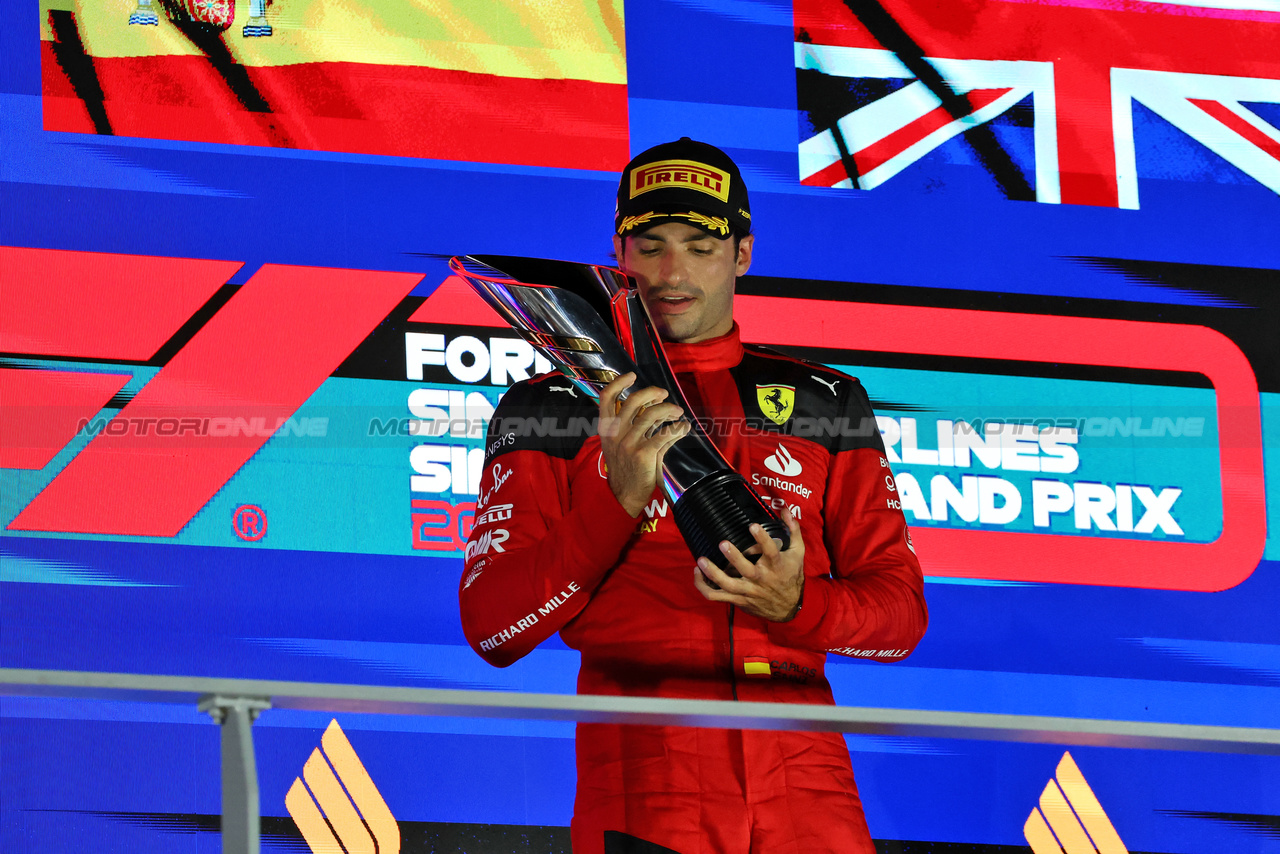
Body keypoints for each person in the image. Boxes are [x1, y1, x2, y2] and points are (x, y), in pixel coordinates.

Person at [459, 138, 927, 853]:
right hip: (645, 775)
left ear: (742, 252)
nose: (671, 274)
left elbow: (900, 618)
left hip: (807, 786)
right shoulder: (549, 408)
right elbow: (495, 629)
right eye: (649, 246)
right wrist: (616, 500)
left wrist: (800, 606)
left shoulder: (826, 401)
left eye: (700, 246)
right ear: (618, 251)